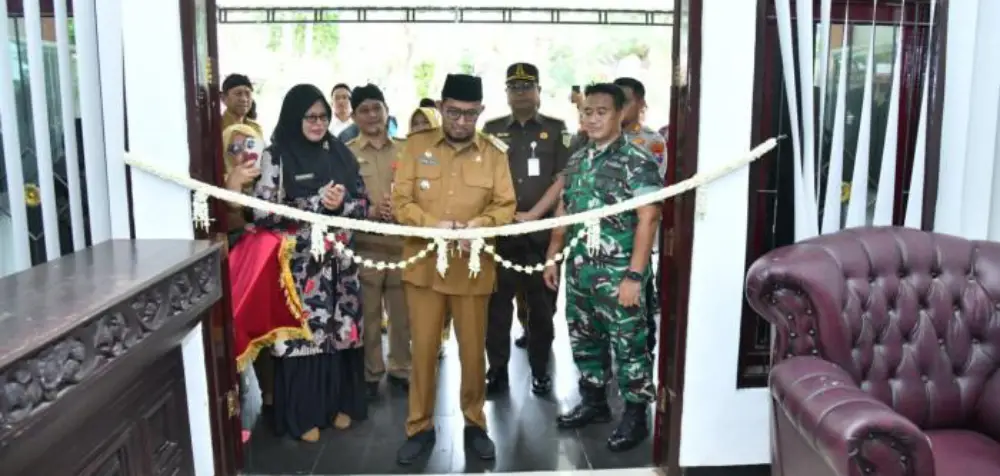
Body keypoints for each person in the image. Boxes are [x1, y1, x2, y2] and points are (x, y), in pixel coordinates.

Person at [392, 73, 516, 465]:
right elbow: (400, 201)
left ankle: (475, 424)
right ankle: (419, 426)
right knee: (424, 350)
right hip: (424, 267)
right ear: (442, 107)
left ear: (480, 111)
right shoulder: (416, 146)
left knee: (472, 353)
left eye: (470, 114)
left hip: (473, 268)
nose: (462, 122)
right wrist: (432, 225)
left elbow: (505, 205)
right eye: (453, 113)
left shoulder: (495, 153)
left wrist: (481, 226)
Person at [543, 83, 660, 452]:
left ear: (621, 113)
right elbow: (564, 209)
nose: (592, 119)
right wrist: (553, 255)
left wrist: (635, 276)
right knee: (584, 340)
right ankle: (594, 402)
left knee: (630, 346)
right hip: (581, 273)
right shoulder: (578, 160)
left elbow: (649, 218)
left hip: (619, 273)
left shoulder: (637, 161)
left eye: (601, 112)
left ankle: (636, 416)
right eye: (586, 112)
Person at [252, 84, 370, 442]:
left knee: (341, 336)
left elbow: (363, 205)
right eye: (311, 117)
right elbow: (261, 211)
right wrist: (317, 202)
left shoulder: (341, 153)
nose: (318, 123)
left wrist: (341, 204)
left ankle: (341, 405)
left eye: (323, 117)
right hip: (302, 271)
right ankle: (304, 416)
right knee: (305, 340)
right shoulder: (277, 156)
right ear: (294, 116)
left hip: (342, 267)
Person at [482, 62, 567, 396]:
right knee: (497, 310)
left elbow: (562, 180)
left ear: (539, 92)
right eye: (514, 88)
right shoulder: (490, 129)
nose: (520, 93)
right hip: (500, 236)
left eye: (526, 87)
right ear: (506, 93)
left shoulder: (557, 129)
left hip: (541, 235)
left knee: (542, 312)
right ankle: (498, 371)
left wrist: (533, 214)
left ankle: (539, 370)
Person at [345, 84, 411, 399]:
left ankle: (401, 368)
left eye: (377, 108)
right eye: (364, 110)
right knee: (368, 316)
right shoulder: (346, 154)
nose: (372, 115)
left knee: (402, 315)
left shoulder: (406, 149)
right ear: (355, 115)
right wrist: (368, 211)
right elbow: (342, 198)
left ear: (386, 110)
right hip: (366, 247)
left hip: (403, 246)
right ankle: (371, 373)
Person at [614, 77, 667, 355]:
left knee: (638, 303)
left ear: (641, 103)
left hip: (636, 234)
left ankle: (642, 356)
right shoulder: (597, 138)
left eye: (627, 99)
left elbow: (652, 190)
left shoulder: (651, 141)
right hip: (604, 242)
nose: (620, 106)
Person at [408, 106, 450, 359]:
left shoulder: (447, 153)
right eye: (416, 123)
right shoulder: (406, 152)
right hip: (413, 239)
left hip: (447, 236)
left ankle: (442, 336)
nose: (421, 127)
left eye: (426, 122)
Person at [221, 74, 263, 138]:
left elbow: (259, 148)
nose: (244, 99)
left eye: (248, 94)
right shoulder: (215, 126)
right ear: (224, 98)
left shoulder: (255, 128)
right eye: (238, 93)